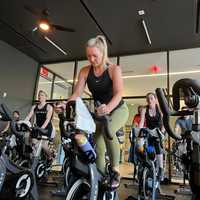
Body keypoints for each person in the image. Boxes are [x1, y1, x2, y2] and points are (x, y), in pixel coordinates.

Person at [56, 35, 129, 188]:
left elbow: (119, 93)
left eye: (95, 55)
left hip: (118, 109)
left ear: (103, 53)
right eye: (88, 55)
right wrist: (66, 103)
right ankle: (100, 177)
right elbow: (76, 95)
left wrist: (107, 108)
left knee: (108, 131)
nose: (91, 59)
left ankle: (115, 171)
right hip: (100, 113)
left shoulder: (114, 69)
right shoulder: (84, 71)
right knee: (97, 145)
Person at [139, 92, 165, 181]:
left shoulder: (160, 108)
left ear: (155, 99)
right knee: (150, 150)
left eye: (151, 98)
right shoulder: (144, 110)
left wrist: (161, 133)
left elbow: (164, 122)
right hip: (150, 132)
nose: (149, 100)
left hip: (159, 132)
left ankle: (161, 169)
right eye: (148, 99)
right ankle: (153, 166)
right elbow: (141, 123)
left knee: (158, 146)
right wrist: (139, 133)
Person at [25, 90, 54, 161]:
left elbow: (47, 119)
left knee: (44, 145)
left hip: (46, 128)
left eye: (41, 95)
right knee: (33, 142)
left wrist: (42, 128)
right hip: (38, 128)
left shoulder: (49, 107)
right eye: (39, 95)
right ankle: (37, 158)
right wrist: (24, 122)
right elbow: (29, 116)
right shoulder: (34, 107)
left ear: (45, 97)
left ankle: (50, 157)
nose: (39, 96)